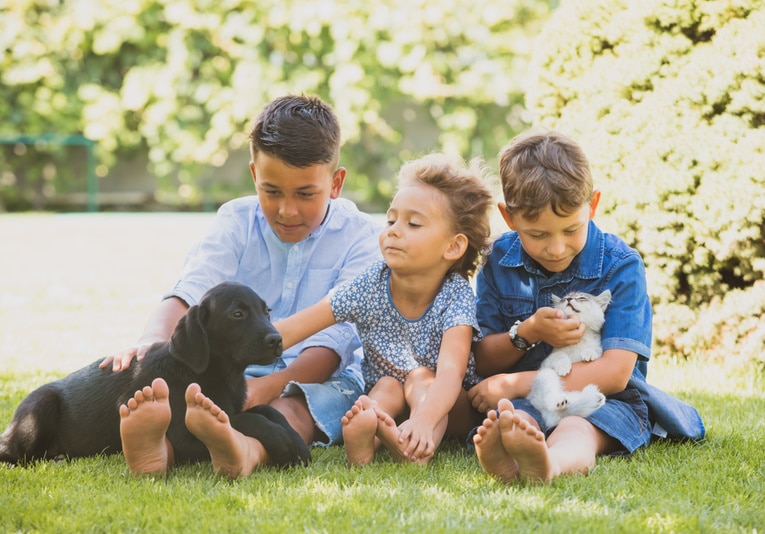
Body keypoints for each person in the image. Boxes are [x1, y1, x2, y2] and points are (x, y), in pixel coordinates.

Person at [103, 94, 382, 475]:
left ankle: (245, 449)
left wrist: (274, 384)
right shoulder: (235, 220)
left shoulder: (363, 237)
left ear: (335, 183)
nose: (287, 210)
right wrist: (151, 339)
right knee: (195, 396)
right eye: (271, 191)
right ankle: (160, 448)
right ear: (254, 176)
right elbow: (193, 288)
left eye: (304, 194)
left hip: (317, 377)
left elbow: (333, 341)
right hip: (233, 373)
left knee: (293, 408)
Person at [467, 129, 705, 484]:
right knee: (513, 419)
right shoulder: (497, 260)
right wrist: (528, 332)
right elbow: (483, 358)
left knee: (578, 427)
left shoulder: (620, 264)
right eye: (538, 235)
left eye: (570, 230)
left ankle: (552, 464)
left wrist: (517, 382)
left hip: (604, 400)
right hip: (527, 401)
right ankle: (513, 457)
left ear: (592, 205)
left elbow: (614, 373)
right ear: (509, 217)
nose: (556, 248)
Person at [276, 153, 494, 466]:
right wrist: (236, 347)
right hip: (392, 396)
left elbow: (450, 373)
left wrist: (423, 419)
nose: (393, 230)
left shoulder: (455, 294)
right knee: (385, 387)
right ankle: (368, 436)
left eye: (413, 223)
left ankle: (419, 446)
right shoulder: (371, 283)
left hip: (447, 404)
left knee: (421, 378)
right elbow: (297, 326)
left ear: (453, 246)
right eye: (391, 220)